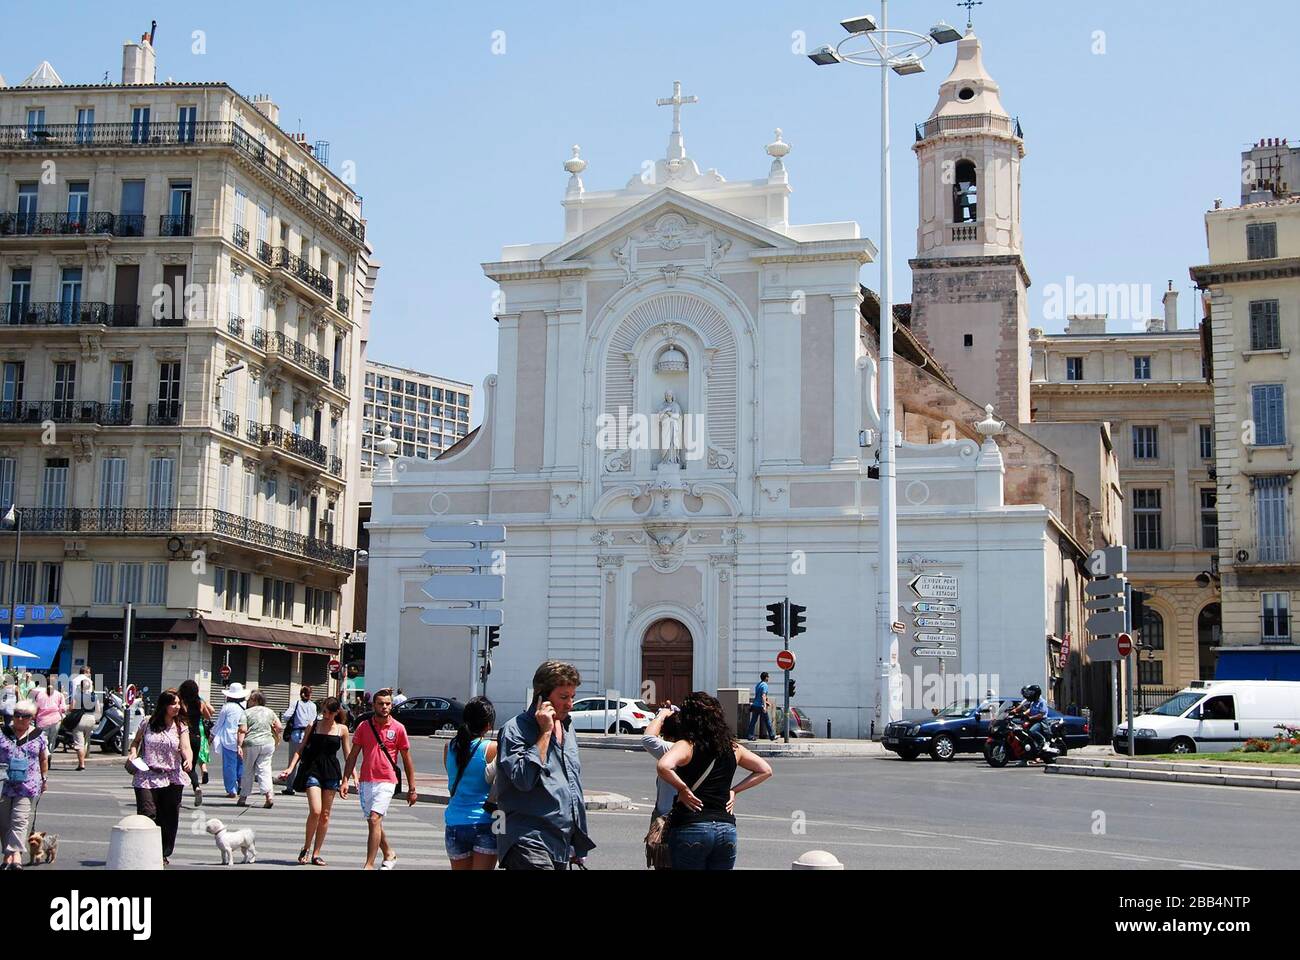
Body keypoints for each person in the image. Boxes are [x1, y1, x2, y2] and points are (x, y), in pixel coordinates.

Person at [657, 691, 772, 871]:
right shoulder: (733, 748)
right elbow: (765, 770)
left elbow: (664, 766)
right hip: (726, 829)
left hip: (691, 826)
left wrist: (683, 789)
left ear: (689, 719)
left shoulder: (687, 745)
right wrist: (734, 791)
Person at [496, 660, 594, 870]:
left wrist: (577, 842)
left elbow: (571, 786)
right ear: (542, 697)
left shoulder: (568, 729)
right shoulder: (515, 730)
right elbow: (522, 779)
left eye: (572, 697)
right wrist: (545, 733)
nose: (570, 704)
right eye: (564, 697)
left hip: (560, 842)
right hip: (528, 840)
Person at [342, 688, 416, 869]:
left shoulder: (398, 728)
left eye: (388, 704)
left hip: (387, 780)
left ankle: (369, 864)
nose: (385, 707)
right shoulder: (364, 727)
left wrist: (412, 788)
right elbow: (352, 755)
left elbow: (407, 759)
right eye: (381, 704)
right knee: (373, 821)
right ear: (373, 705)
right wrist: (345, 780)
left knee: (375, 819)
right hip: (367, 780)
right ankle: (389, 852)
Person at [125, 689, 192, 865]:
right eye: (173, 704)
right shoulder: (147, 722)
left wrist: (189, 760)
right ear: (163, 705)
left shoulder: (180, 725)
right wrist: (132, 753)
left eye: (178, 703)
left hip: (172, 776)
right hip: (146, 775)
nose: (177, 707)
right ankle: (144, 851)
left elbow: (186, 748)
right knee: (147, 814)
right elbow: (136, 742)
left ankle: (162, 853)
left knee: (169, 817)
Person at [280, 697, 350, 865]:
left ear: (336, 712)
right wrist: (290, 768)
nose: (325, 715)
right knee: (316, 811)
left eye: (329, 712)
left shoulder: (342, 729)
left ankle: (316, 853)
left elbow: (349, 755)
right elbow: (300, 749)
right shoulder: (314, 725)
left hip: (332, 772)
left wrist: (349, 778)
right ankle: (306, 847)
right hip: (313, 769)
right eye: (324, 711)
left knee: (325, 815)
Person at [443, 696, 497, 870]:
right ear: (488, 725)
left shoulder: (449, 747)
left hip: (455, 821)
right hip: (485, 821)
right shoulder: (491, 748)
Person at [0, 699, 49, 870]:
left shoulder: (39, 735)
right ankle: (7, 855)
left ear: (32, 717)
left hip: (27, 784)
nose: (20, 719)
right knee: (4, 822)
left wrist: (44, 779)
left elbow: (43, 759)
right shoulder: (3, 733)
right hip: (3, 784)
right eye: (17, 715)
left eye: (25, 716)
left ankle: (16, 856)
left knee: (20, 820)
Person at [641, 700, 684, 869]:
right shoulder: (699, 748)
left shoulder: (672, 750)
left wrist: (661, 715)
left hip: (669, 822)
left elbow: (648, 738)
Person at [237, 690, 282, 808]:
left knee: (248, 770)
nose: (248, 701)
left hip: (251, 743)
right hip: (268, 743)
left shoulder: (246, 713)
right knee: (265, 769)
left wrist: (239, 745)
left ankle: (243, 797)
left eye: (250, 699)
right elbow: (279, 726)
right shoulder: (270, 712)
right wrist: (276, 735)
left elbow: (242, 730)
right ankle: (269, 796)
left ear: (255, 700)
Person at [176, 680, 213, 807]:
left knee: (181, 767)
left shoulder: (181, 702)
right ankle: (196, 787)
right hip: (197, 737)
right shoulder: (200, 702)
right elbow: (208, 716)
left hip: (183, 736)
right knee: (191, 765)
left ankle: (178, 798)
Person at [280, 686, 318, 796]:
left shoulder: (296, 703)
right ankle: (308, 785)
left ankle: (290, 787)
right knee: (307, 760)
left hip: (296, 734)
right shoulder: (313, 706)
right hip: (309, 734)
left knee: (292, 761)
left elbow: (286, 716)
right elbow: (314, 720)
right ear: (310, 694)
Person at [211, 683, 247, 797]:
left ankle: (232, 790)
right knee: (241, 763)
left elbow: (219, 723)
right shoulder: (245, 706)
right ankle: (242, 785)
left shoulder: (227, 707)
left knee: (229, 765)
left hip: (229, 739)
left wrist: (212, 735)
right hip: (243, 738)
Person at [1010, 684, 1051, 762]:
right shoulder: (1033, 702)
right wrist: (1024, 714)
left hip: (1041, 721)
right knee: (1023, 735)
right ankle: (1024, 759)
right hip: (1032, 720)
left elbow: (1041, 715)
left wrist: (1030, 717)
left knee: (1032, 731)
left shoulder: (1042, 702)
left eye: (1031, 693)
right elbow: (1029, 709)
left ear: (1036, 693)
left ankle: (1043, 741)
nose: (1030, 695)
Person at [69, 666, 97, 771]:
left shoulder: (75, 681)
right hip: (91, 718)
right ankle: (84, 759)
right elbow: (97, 707)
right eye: (89, 672)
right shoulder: (92, 692)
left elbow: (72, 705)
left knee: (79, 742)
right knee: (85, 741)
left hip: (79, 717)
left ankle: (81, 764)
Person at [33, 680, 67, 765]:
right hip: (55, 721)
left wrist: (34, 717)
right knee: (52, 740)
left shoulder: (40, 694)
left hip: (42, 721)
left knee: (43, 740)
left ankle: (46, 754)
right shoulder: (59, 695)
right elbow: (63, 709)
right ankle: (50, 754)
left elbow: (36, 708)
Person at [746, 672, 776, 741]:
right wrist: (765, 706)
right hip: (761, 706)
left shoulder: (758, 685)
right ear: (766, 678)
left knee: (753, 721)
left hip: (755, 705)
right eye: (768, 677)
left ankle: (750, 736)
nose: (768, 678)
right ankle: (772, 736)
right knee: (767, 721)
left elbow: (758, 696)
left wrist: (766, 702)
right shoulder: (765, 685)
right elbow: (763, 695)